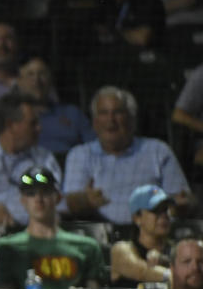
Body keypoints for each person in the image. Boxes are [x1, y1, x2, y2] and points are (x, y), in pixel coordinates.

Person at [63, 86, 191, 225]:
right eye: (103, 113)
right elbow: (67, 205)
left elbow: (183, 199)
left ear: (132, 120)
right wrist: (85, 201)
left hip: (150, 234)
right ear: (94, 123)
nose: (111, 120)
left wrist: (182, 204)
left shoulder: (158, 151)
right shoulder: (79, 155)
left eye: (118, 112)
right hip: (98, 234)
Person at [0, 166, 104, 289]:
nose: (38, 199)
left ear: (57, 197)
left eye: (45, 192)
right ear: (23, 201)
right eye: (31, 193)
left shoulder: (87, 247)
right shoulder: (7, 248)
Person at [0, 91, 62, 226]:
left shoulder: (44, 158)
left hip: (42, 232)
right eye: (32, 123)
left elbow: (57, 196)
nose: (39, 128)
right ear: (10, 125)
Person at [14, 56, 94, 155]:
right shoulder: (10, 115)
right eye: (30, 74)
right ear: (19, 81)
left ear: (50, 79)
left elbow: (94, 148)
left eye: (42, 74)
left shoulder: (72, 113)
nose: (37, 80)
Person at [110, 184, 173, 288]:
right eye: (156, 210)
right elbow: (140, 271)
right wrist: (170, 275)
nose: (164, 215)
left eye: (165, 209)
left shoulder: (177, 250)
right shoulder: (122, 250)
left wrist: (163, 260)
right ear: (137, 218)